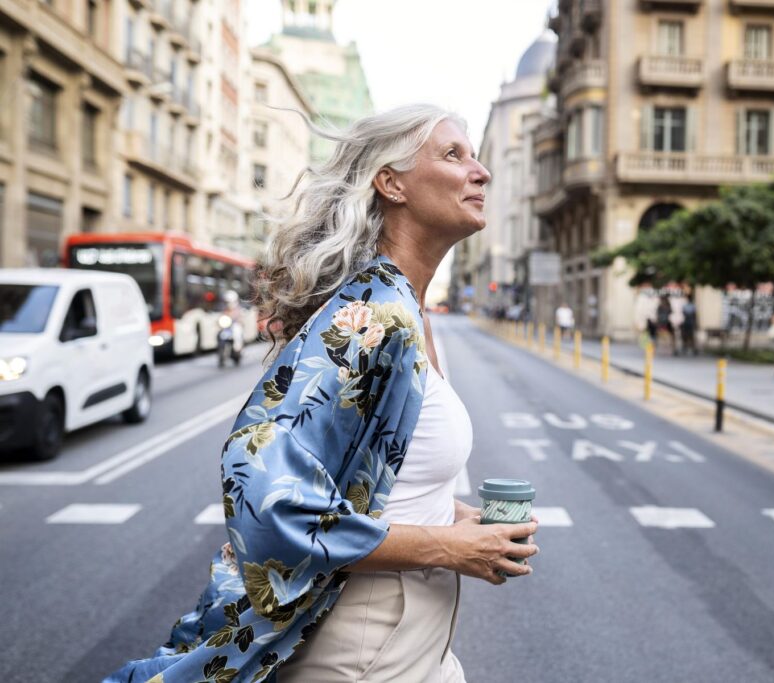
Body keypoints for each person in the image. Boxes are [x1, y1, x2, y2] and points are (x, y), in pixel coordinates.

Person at [104, 105, 539, 683]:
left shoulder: (406, 310)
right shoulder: (369, 315)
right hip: (366, 646)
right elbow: (268, 497)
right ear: (391, 183)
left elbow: (374, 476)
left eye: (475, 156)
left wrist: (455, 517)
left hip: (416, 638)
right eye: (453, 155)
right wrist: (448, 547)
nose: (480, 171)